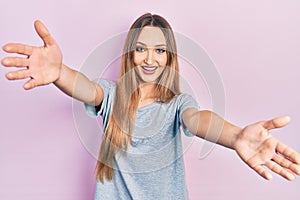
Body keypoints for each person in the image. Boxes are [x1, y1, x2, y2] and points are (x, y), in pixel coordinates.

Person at [1, 13, 300, 200]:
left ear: (169, 57)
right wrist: (59, 72)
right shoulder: (112, 95)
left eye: (159, 51)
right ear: (130, 54)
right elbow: (85, 88)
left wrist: (235, 136)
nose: (149, 58)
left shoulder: (178, 104)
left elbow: (199, 120)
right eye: (141, 49)